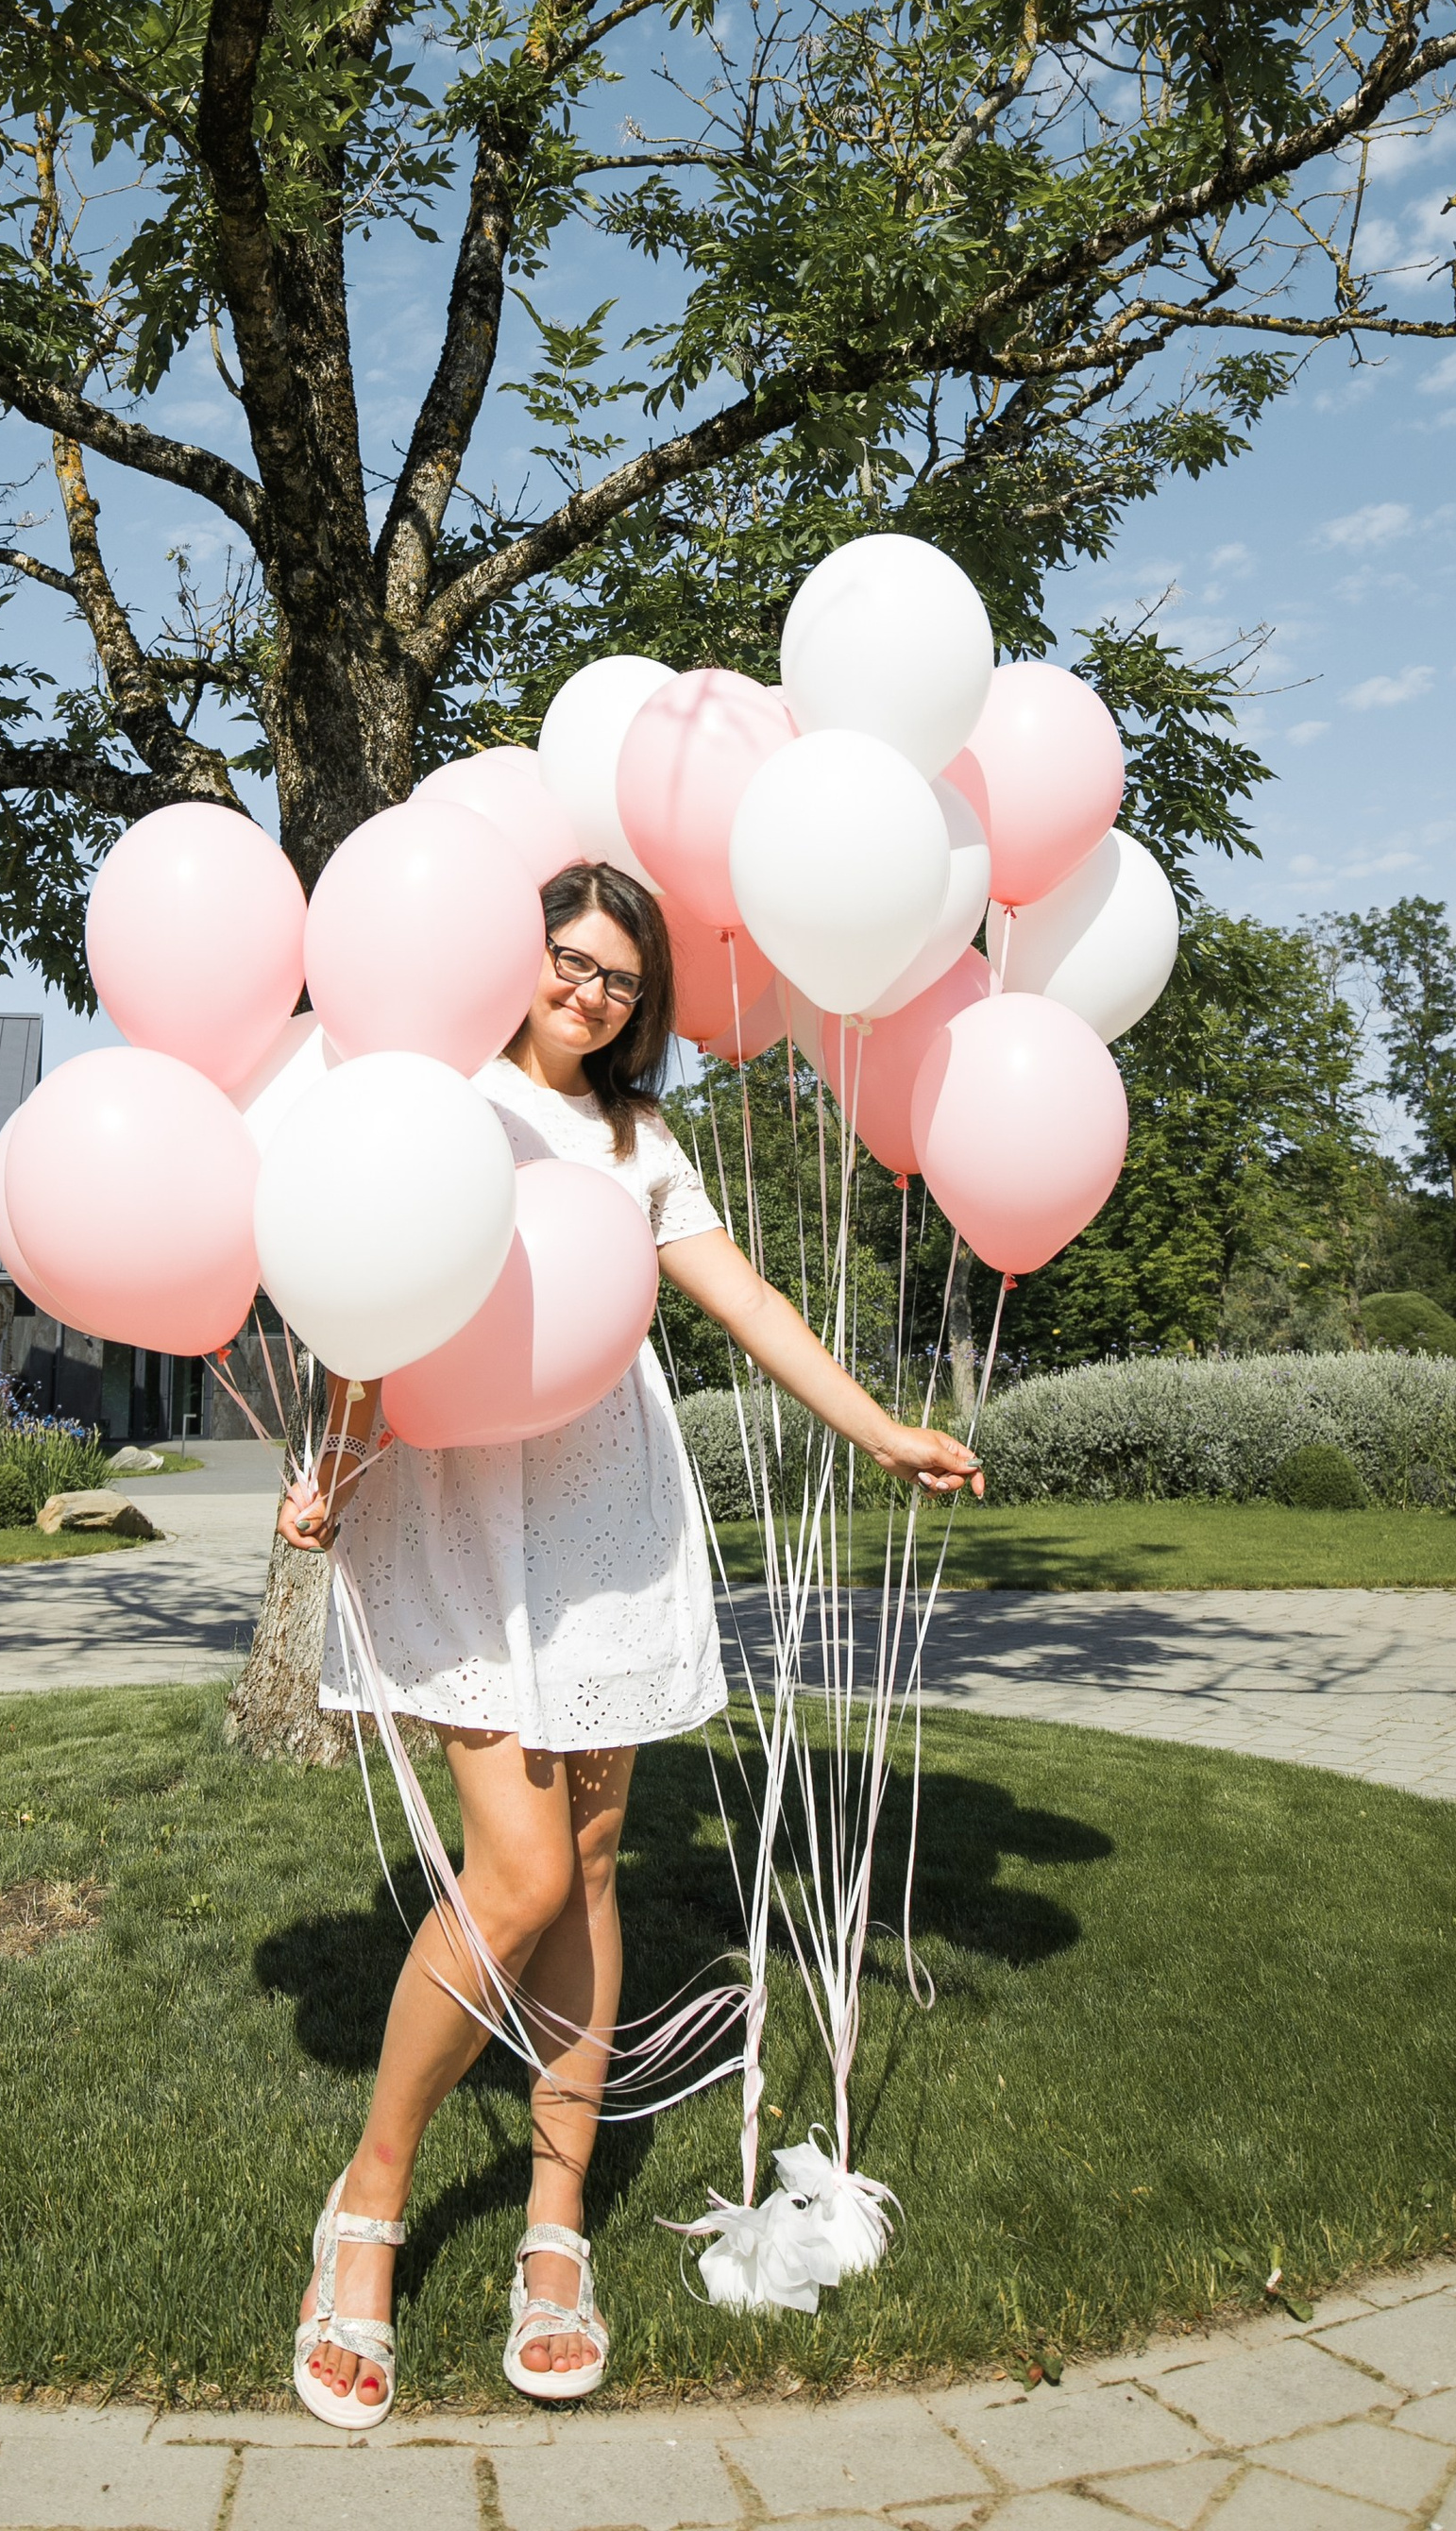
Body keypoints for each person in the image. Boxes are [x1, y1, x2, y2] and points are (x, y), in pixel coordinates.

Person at [279, 858, 983, 2424]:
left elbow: (749, 1302)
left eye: (619, 978)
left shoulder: (637, 1138)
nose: (591, 992)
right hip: (468, 1506)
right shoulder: (439, 1092)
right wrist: (326, 1468)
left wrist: (880, 1432)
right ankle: (370, 2205)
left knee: (589, 1867)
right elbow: (365, 1284)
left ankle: (552, 2230)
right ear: (515, 955)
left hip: (609, 1512)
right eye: (568, 960)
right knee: (516, 1871)